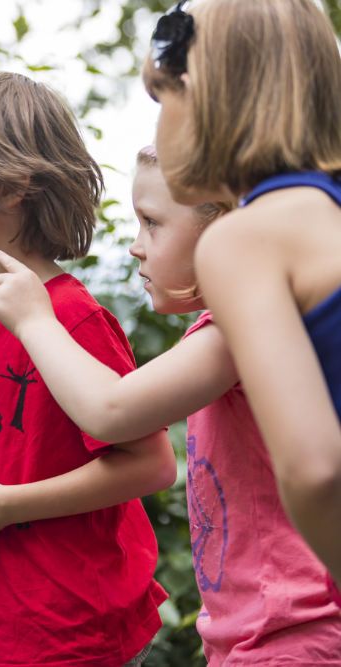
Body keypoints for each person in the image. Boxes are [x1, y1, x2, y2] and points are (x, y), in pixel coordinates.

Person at [0, 145, 341, 664]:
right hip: (254, 634)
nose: (135, 247)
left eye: (152, 223)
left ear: (226, 228)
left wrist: (37, 321)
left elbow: (110, 410)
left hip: (294, 634)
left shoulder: (234, 333)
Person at [0, 72, 173, 667]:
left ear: (9, 182)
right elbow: (25, 451)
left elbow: (149, 464)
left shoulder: (72, 316)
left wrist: (7, 505)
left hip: (81, 630)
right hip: (7, 627)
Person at [142, 0, 341, 605]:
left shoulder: (243, 241)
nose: (157, 129)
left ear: (203, 95)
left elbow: (315, 470)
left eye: (161, 101)